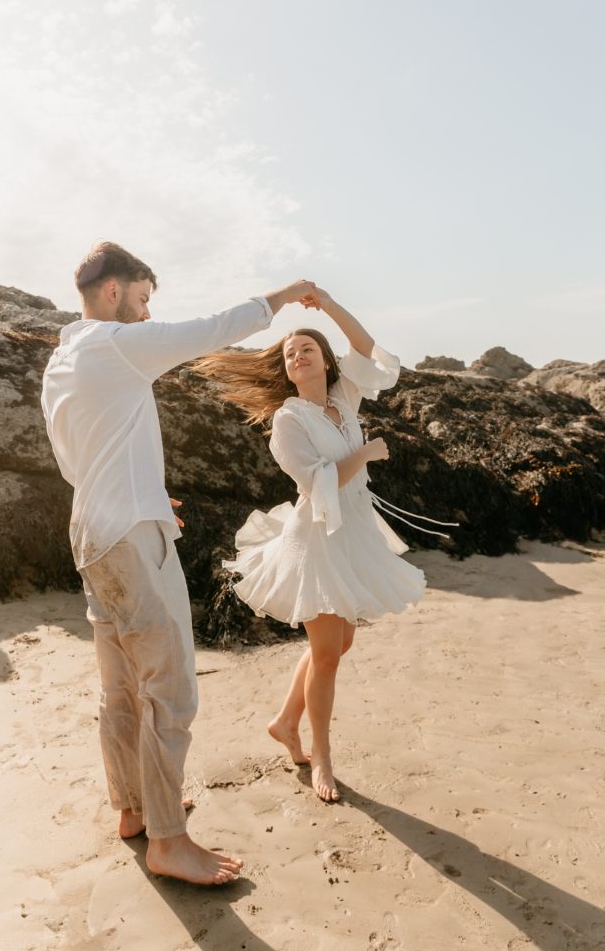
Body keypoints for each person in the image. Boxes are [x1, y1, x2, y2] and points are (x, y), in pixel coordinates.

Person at [41, 239, 321, 884]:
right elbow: (213, 330)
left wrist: (144, 490)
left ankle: (135, 811)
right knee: (170, 690)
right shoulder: (115, 340)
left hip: (93, 531)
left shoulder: (64, 359)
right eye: (141, 299)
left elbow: (78, 458)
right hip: (130, 538)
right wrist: (284, 296)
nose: (145, 315)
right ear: (113, 292)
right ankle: (169, 841)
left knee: (120, 688)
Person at [194, 289, 426, 803]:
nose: (296, 356)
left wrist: (325, 301)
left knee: (339, 642)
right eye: (288, 354)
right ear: (287, 370)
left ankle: (283, 720)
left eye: (306, 350)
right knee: (328, 653)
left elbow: (365, 348)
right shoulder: (289, 420)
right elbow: (315, 480)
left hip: (354, 531)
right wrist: (363, 454)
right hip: (317, 536)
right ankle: (319, 755)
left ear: (324, 361)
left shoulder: (344, 399)